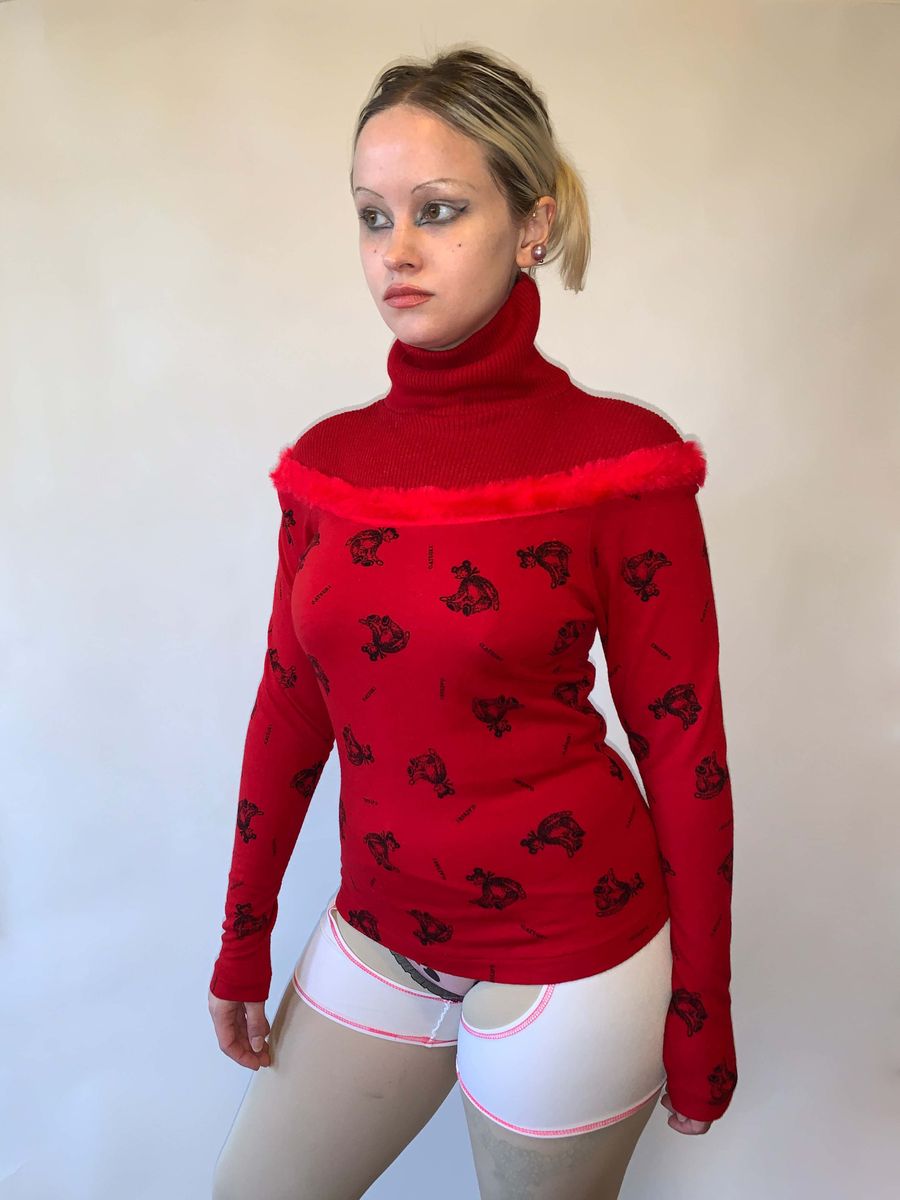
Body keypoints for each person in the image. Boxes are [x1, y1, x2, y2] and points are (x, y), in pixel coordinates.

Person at [208, 44, 737, 1200]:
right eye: (372, 215)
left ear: (532, 226)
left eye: (438, 210)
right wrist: (243, 934)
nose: (395, 249)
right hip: (380, 930)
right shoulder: (329, 468)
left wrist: (703, 1008)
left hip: (575, 957)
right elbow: (290, 711)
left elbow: (682, 744)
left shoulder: (622, 465)